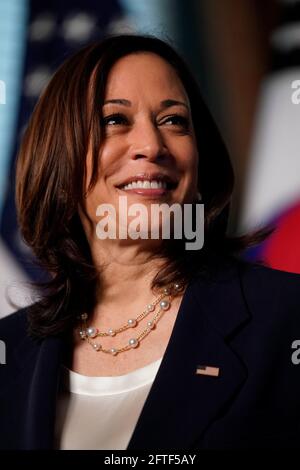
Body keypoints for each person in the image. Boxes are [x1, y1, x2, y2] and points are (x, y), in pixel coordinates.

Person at [0, 34, 300, 451]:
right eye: (114, 120)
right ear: (59, 157)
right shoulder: (7, 350)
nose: (152, 146)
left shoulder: (286, 317)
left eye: (174, 120)